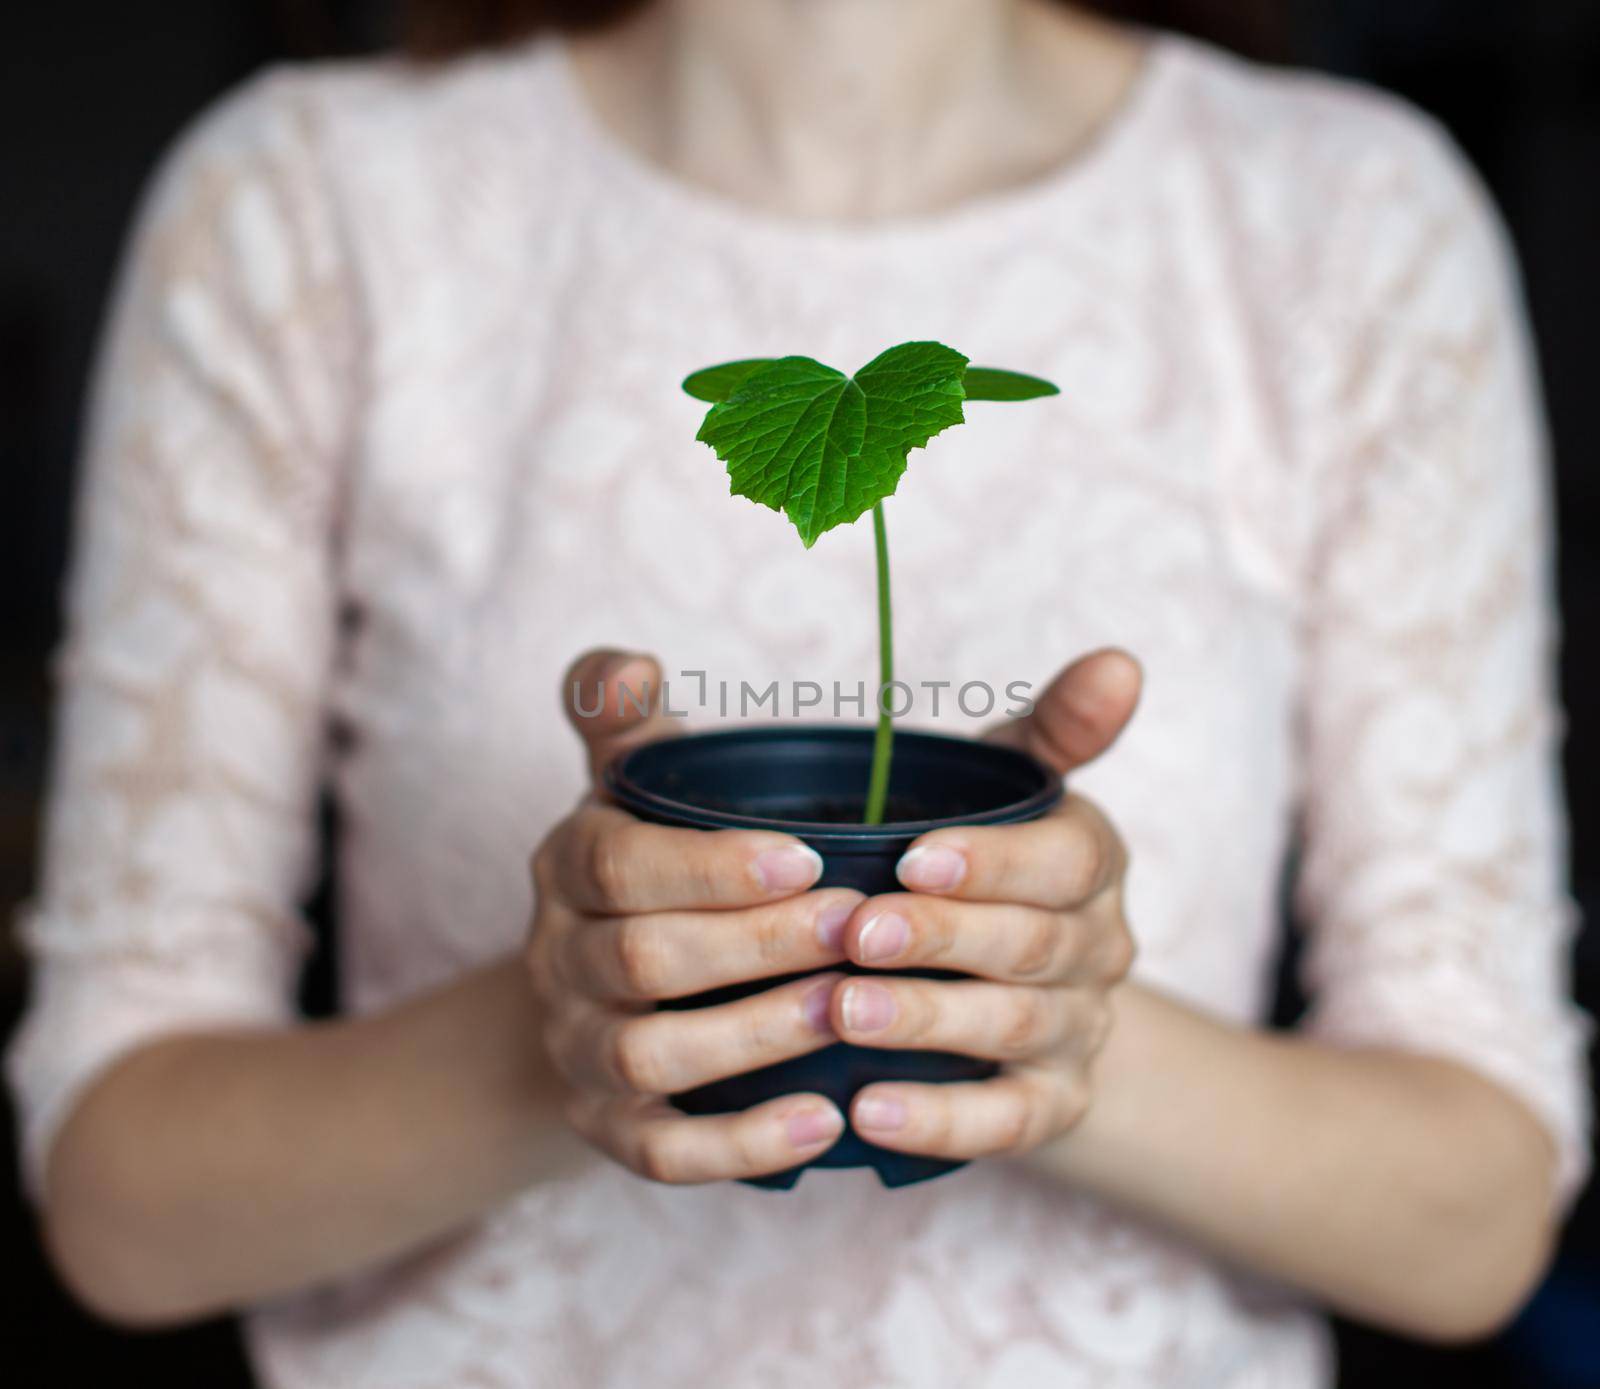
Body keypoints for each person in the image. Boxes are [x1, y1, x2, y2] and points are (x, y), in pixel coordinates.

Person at [7, 1, 1590, 1385]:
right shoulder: (307, 205)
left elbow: (1476, 1222)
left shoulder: (1345, 225)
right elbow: (119, 1202)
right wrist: (566, 1024)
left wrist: (1051, 1018)